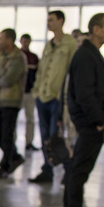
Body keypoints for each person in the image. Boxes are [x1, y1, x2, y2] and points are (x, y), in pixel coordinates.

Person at [62, 12, 104, 207]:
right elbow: (85, 93)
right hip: (90, 123)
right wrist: (98, 120)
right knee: (79, 169)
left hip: (93, 122)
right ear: (96, 29)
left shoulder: (92, 54)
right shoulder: (85, 55)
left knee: (81, 169)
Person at [30, 10, 77, 185]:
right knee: (44, 136)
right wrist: (36, 91)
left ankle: (67, 169)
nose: (48, 23)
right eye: (47, 20)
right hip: (42, 96)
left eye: (51, 20)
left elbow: (72, 71)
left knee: (55, 136)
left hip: (57, 98)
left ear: (61, 21)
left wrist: (65, 96)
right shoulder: (48, 45)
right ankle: (47, 169)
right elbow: (42, 69)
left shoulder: (70, 44)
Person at [0, 28, 27, 179]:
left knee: (7, 134)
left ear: (9, 40)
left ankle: (5, 165)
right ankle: (15, 156)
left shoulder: (18, 58)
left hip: (11, 100)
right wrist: (2, 71)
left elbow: (9, 80)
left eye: (1, 39)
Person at [21, 34, 39, 150]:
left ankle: (29, 141)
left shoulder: (34, 57)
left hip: (30, 91)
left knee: (30, 118)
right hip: (19, 91)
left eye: (28, 41)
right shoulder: (17, 55)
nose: (26, 43)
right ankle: (12, 142)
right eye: (24, 41)